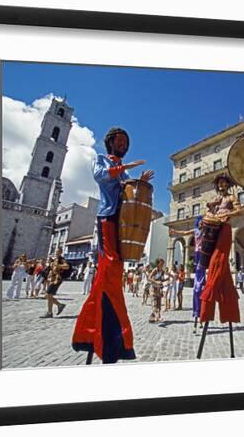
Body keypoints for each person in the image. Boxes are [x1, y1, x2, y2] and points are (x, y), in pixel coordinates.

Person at [72, 127, 154, 363]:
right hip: (107, 217)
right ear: (111, 142)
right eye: (119, 140)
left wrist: (139, 182)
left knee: (111, 272)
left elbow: (127, 193)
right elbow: (102, 176)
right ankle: (113, 335)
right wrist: (125, 169)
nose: (123, 144)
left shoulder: (123, 174)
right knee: (109, 267)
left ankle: (90, 333)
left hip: (122, 221)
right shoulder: (102, 160)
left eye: (125, 142)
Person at [199, 174, 241, 325]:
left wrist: (227, 213)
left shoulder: (231, 198)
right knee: (217, 264)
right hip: (214, 229)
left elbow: (239, 210)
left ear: (227, 185)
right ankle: (228, 310)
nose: (222, 185)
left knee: (219, 259)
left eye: (224, 183)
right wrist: (211, 206)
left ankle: (210, 297)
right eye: (220, 183)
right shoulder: (216, 199)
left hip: (225, 229)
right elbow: (209, 213)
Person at [169, 215, 206, 323]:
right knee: (198, 267)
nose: (201, 223)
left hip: (203, 251)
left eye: (202, 222)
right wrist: (176, 231)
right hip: (197, 252)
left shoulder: (205, 230)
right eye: (200, 222)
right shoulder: (195, 230)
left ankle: (203, 279)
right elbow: (185, 233)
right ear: (197, 223)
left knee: (202, 268)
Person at [39, 248, 70, 318]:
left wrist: (58, 266)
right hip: (52, 278)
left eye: (58, 252)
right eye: (56, 251)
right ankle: (50, 312)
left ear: (61, 252)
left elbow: (67, 266)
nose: (56, 253)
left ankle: (59, 305)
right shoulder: (54, 259)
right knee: (49, 296)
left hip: (57, 279)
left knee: (47, 295)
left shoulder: (61, 259)